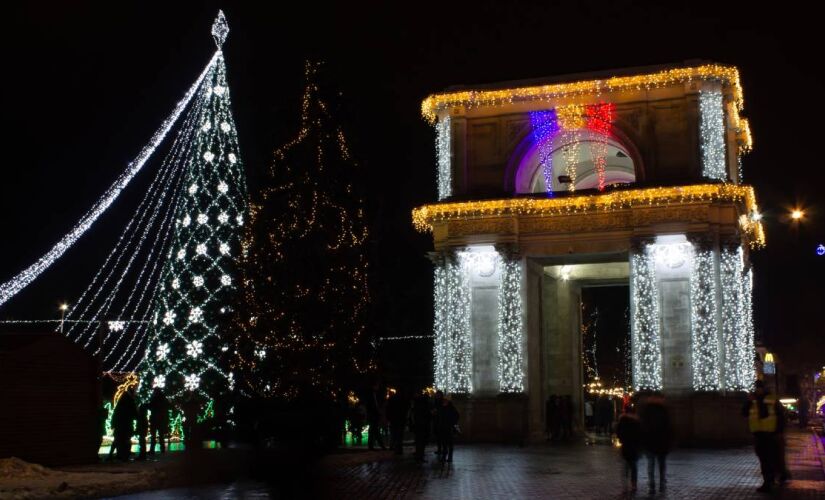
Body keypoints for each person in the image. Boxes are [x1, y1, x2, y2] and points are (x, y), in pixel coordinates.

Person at [742, 380, 788, 492]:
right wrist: (748, 402)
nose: (758, 390)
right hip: (759, 435)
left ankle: (769, 481)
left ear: (763, 388)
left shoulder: (771, 399)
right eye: (757, 387)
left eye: (760, 387)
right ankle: (774, 478)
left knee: (769, 459)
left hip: (770, 434)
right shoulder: (752, 400)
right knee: (764, 459)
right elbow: (744, 413)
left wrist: (779, 431)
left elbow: (780, 416)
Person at [639, 393, 672, 494]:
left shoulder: (646, 410)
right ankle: (661, 484)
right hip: (661, 441)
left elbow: (642, 426)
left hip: (650, 441)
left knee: (651, 464)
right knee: (661, 464)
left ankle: (652, 485)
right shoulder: (663, 410)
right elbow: (668, 427)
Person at [616, 404, 642, 492]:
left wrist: (621, 439)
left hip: (626, 445)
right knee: (634, 466)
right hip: (634, 446)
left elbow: (618, 432)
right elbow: (640, 434)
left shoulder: (622, 420)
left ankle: (625, 484)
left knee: (625, 465)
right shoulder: (637, 421)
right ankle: (633, 484)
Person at [111, 387, 138, 461]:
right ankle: (125, 456)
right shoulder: (130, 401)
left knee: (118, 440)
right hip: (126, 424)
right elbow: (134, 412)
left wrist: (113, 423)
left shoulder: (122, 400)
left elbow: (116, 412)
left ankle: (118, 455)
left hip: (119, 424)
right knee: (125, 440)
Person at [436, 396, 459, 463]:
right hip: (442, 427)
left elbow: (457, 416)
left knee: (450, 443)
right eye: (444, 401)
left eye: (446, 401)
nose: (444, 402)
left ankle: (450, 457)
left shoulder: (451, 408)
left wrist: (452, 423)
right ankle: (444, 457)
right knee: (444, 443)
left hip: (449, 428)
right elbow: (438, 417)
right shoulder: (441, 408)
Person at [411, 391, 432, 462]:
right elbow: (426, 414)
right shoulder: (423, 404)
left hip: (418, 424)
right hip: (422, 424)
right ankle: (419, 456)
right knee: (421, 441)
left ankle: (419, 456)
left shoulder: (417, 403)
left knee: (419, 441)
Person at [148, 387, 170, 454]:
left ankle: (152, 450)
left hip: (155, 419)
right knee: (160, 435)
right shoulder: (163, 398)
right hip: (161, 419)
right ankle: (162, 449)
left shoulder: (154, 399)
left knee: (154, 435)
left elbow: (150, 406)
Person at [386, 389, 408, 454]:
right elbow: (405, 409)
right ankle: (398, 449)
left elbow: (388, 409)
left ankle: (393, 446)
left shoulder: (391, 399)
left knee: (394, 434)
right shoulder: (403, 400)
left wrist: (389, 418)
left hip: (394, 419)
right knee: (399, 435)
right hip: (400, 419)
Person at [365, 381, 386, 450]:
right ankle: (380, 446)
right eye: (377, 386)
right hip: (373, 415)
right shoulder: (372, 395)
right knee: (374, 431)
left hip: (373, 415)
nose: (378, 387)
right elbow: (372, 405)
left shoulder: (373, 394)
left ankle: (372, 446)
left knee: (373, 431)